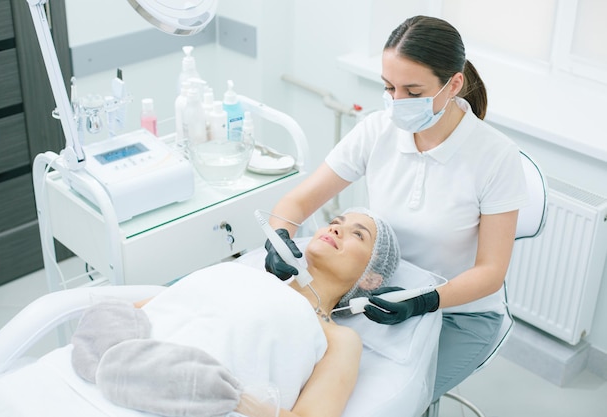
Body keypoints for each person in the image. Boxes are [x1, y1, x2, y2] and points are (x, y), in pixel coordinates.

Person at [264, 15, 528, 403]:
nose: (397, 102)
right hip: (378, 292)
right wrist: (279, 236)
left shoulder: (495, 157)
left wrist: (425, 299)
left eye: (413, 90)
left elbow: (491, 272)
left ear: (453, 84)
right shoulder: (378, 130)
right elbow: (299, 201)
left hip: (460, 313)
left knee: (389, 403)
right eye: (389, 88)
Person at [70, 208, 400, 417]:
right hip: (105, 380)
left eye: (358, 234)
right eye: (335, 222)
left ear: (371, 277)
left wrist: (232, 398)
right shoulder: (245, 273)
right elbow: (143, 312)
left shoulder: (338, 338)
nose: (336, 229)